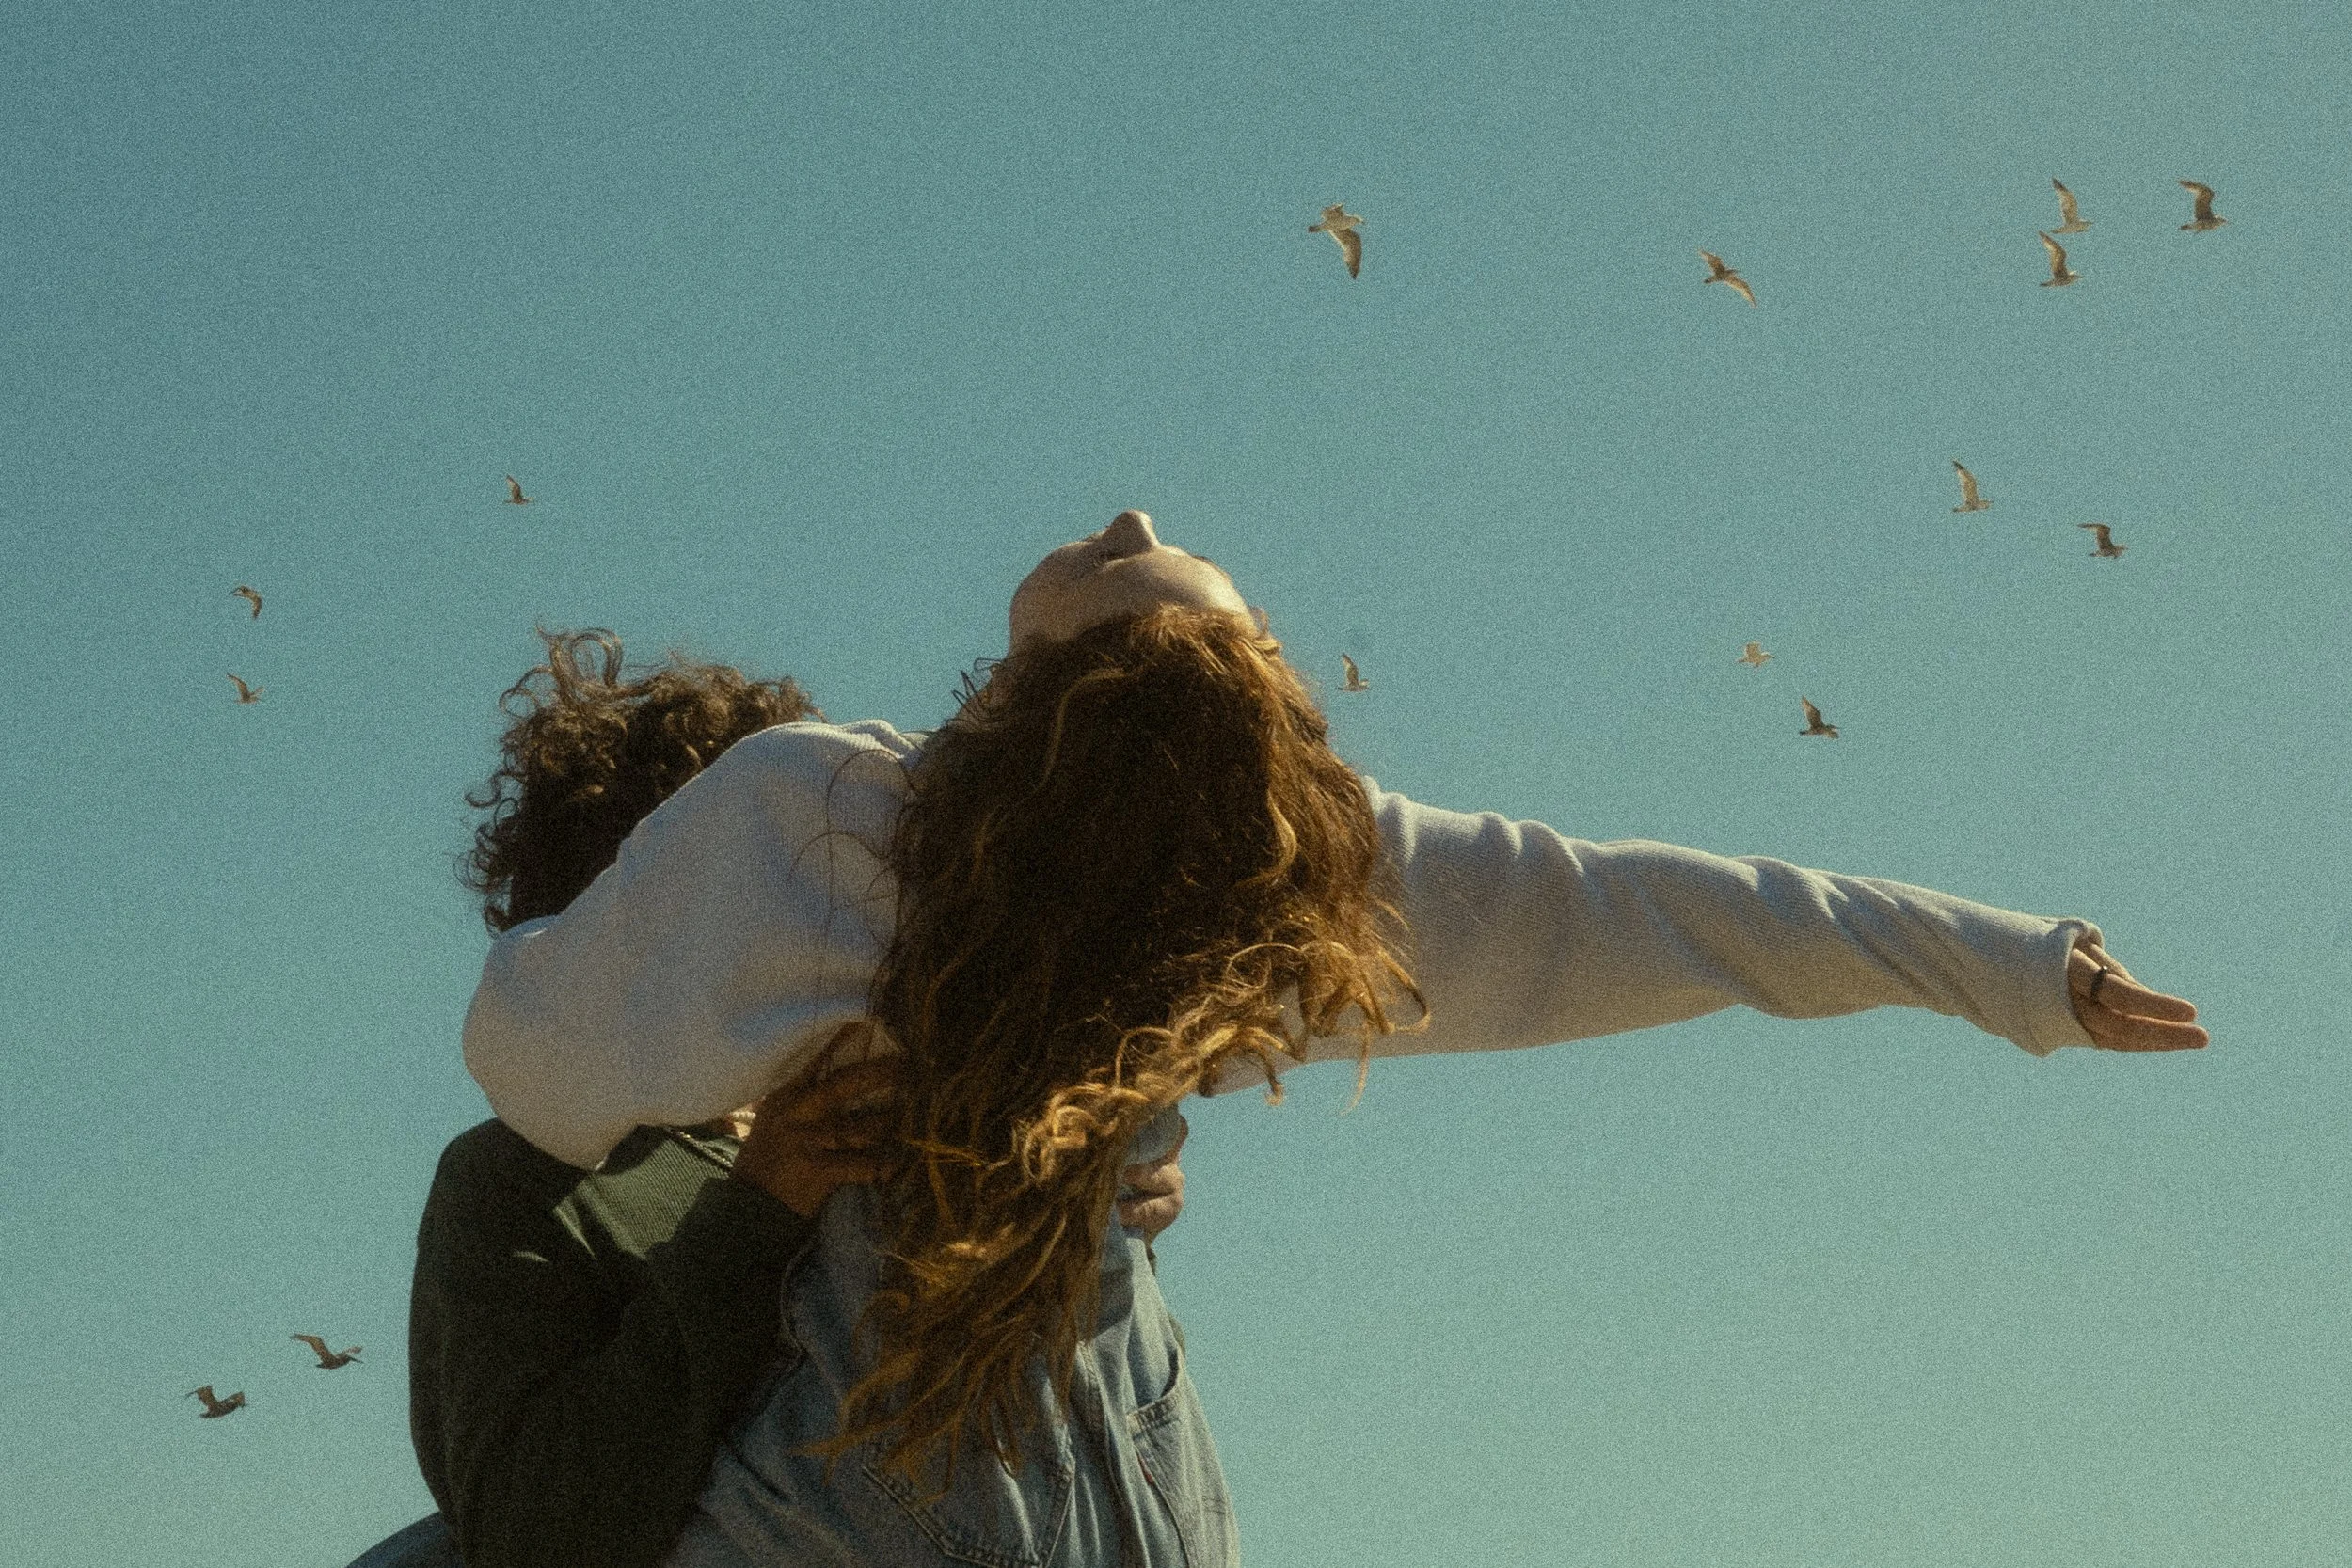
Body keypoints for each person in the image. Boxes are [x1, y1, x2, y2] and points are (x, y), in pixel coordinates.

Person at [461, 512, 2206, 1566]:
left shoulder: (829, 818)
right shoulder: (1273, 885)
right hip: (1144, 1513)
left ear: (1065, 682)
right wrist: (2011, 968)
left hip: (871, 1508)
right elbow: (1653, 913)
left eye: (1123, 558)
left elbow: (523, 1055)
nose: (1127, 508)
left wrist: (722, 1052)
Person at [371, 631, 1190, 1568]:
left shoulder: (878, 1098)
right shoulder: (521, 1176)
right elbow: (533, 1531)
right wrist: (758, 1209)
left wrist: (1108, 1211)